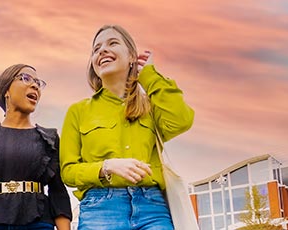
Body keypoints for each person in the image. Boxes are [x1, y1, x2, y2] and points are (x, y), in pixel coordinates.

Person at [60, 25, 195, 230]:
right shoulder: (78, 111)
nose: (102, 50)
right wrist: (106, 167)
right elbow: (68, 171)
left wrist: (148, 75)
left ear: (132, 56)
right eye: (96, 49)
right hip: (100, 209)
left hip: (152, 208)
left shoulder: (150, 107)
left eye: (112, 43)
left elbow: (182, 120)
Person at [0, 64, 73, 230]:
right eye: (25, 78)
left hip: (39, 223)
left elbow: (58, 192)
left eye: (38, 83)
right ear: (6, 90)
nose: (34, 85)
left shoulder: (49, 139)